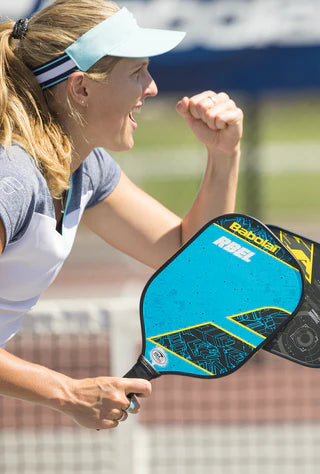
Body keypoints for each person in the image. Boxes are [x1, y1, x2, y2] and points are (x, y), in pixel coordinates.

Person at [0, 0, 243, 430]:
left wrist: (223, 156)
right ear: (81, 89)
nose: (151, 87)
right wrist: (66, 392)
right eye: (137, 72)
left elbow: (194, 262)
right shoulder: (12, 179)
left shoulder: (85, 169)